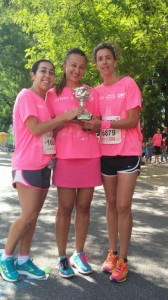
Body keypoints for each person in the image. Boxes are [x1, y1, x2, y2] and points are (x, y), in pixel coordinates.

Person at [0, 59, 83, 282]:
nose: (48, 75)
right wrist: (63, 117)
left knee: (33, 217)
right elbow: (35, 129)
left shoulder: (43, 101)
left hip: (45, 164)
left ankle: (24, 259)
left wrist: (65, 124)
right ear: (33, 74)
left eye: (52, 72)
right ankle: (6, 256)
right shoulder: (26, 96)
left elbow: (47, 129)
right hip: (27, 164)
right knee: (27, 215)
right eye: (43, 71)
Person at [84, 42, 142, 282]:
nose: (104, 62)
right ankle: (112, 252)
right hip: (106, 154)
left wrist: (104, 124)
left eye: (108, 57)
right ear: (96, 64)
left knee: (122, 205)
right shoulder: (95, 92)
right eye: (100, 59)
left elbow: (131, 120)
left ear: (115, 61)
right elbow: (93, 120)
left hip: (128, 153)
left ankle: (124, 260)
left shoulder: (128, 84)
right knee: (109, 203)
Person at [46, 48, 101, 278]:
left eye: (82, 67)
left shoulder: (91, 93)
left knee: (84, 208)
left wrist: (86, 122)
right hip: (65, 157)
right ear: (64, 65)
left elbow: (98, 123)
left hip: (89, 155)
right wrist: (68, 117)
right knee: (65, 209)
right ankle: (61, 257)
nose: (77, 70)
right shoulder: (51, 94)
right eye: (73, 65)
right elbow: (48, 125)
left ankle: (78, 253)